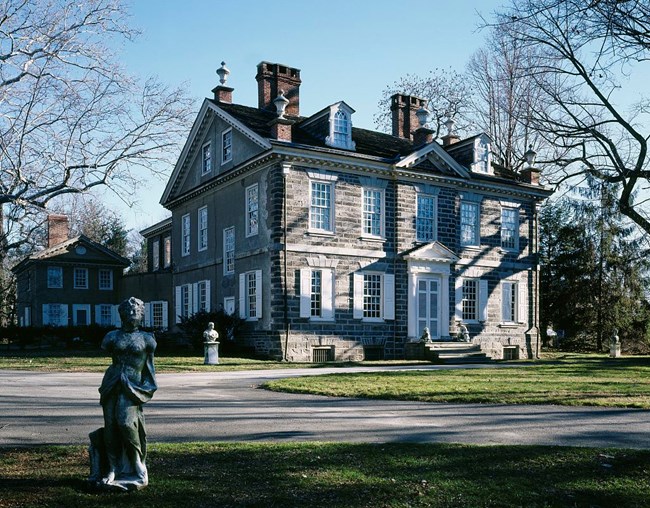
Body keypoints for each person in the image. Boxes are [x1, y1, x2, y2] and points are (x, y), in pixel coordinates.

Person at [95, 297, 157, 491]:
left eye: (136, 312)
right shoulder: (112, 336)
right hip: (112, 383)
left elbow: (150, 367)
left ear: (142, 315)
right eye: (128, 312)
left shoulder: (148, 339)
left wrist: (146, 385)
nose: (132, 315)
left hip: (133, 385)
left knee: (126, 422)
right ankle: (113, 468)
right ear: (121, 314)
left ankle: (138, 463)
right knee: (111, 426)